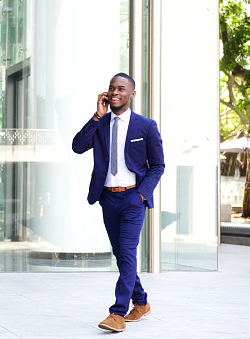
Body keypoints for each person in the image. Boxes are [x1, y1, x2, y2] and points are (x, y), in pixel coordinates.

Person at [72, 73, 165, 332]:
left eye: (121, 89)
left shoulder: (145, 126)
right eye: (111, 88)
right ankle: (142, 302)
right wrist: (96, 116)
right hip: (108, 198)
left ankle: (117, 313)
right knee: (121, 255)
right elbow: (78, 146)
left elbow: (157, 166)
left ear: (131, 94)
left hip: (133, 198)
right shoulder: (100, 124)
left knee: (127, 252)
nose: (115, 92)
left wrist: (142, 194)